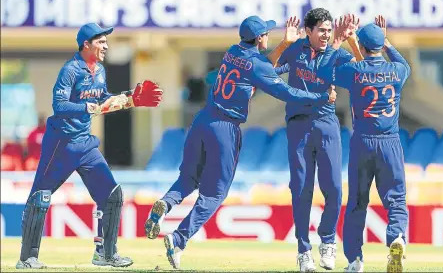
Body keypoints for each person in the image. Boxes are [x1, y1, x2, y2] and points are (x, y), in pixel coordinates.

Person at [144, 15, 337, 270]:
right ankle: (178, 239)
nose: (268, 35)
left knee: (188, 178)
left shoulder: (233, 51)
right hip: (225, 129)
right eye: (266, 33)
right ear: (259, 38)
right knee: (215, 193)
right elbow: (284, 91)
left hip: (202, 120)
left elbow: (261, 68)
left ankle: (165, 204)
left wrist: (284, 47)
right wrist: (321, 96)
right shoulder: (255, 64)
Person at [15, 22, 163, 269]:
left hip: (85, 145)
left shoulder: (101, 71)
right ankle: (27, 258)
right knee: (40, 198)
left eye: (106, 41)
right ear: (86, 44)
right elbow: (59, 106)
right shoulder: (70, 70)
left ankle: (105, 254)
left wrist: (131, 98)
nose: (106, 46)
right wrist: (87, 107)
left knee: (112, 195)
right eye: (101, 42)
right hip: (61, 144)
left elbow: (102, 99)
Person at [318, 15, 411, 272]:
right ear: (381, 45)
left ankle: (355, 260)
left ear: (361, 44)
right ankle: (396, 238)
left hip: (362, 143)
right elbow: (403, 63)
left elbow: (325, 70)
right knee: (396, 200)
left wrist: (339, 41)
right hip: (390, 142)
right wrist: (386, 40)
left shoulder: (355, 72)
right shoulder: (397, 71)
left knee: (358, 202)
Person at [271, 8, 359, 271]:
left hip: (326, 124)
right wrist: (284, 43)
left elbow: (363, 69)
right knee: (300, 189)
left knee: (333, 188)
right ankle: (303, 250)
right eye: (320, 29)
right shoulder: (295, 49)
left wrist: (351, 41)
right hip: (298, 126)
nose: (325, 34)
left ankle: (328, 241)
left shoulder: (336, 52)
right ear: (307, 31)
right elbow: (268, 69)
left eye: (329, 30)